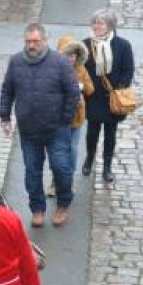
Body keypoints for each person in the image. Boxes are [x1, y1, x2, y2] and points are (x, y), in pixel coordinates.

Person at [0, 23, 79, 227]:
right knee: (32, 172)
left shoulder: (60, 62)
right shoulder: (16, 62)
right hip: (28, 129)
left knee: (61, 168)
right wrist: (5, 116)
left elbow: (73, 93)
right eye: (28, 41)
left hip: (56, 129)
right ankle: (37, 208)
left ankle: (63, 204)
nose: (31, 45)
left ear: (45, 40)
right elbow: (8, 90)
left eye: (35, 41)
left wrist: (65, 120)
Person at [82, 9, 134, 183]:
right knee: (92, 133)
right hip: (93, 98)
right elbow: (79, 69)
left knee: (110, 135)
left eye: (100, 22)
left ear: (110, 26)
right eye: (94, 22)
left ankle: (107, 167)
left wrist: (119, 89)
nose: (96, 26)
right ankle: (89, 158)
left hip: (112, 99)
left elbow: (128, 70)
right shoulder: (86, 45)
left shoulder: (123, 45)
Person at [57, 35, 93, 197]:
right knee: (58, 151)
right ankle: (56, 181)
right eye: (67, 55)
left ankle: (69, 179)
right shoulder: (54, 70)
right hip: (57, 118)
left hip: (76, 118)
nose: (70, 58)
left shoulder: (81, 70)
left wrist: (82, 86)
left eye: (73, 55)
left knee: (71, 149)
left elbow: (91, 90)